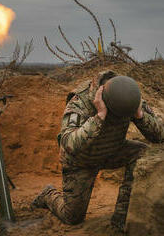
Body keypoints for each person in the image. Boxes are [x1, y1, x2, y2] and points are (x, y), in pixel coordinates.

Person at [31, 70, 164, 231]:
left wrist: (140, 115)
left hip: (111, 150)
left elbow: (159, 136)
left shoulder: (128, 96)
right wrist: (100, 116)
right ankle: (48, 194)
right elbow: (68, 144)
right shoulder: (81, 102)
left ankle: (121, 217)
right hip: (81, 161)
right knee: (72, 217)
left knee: (141, 152)